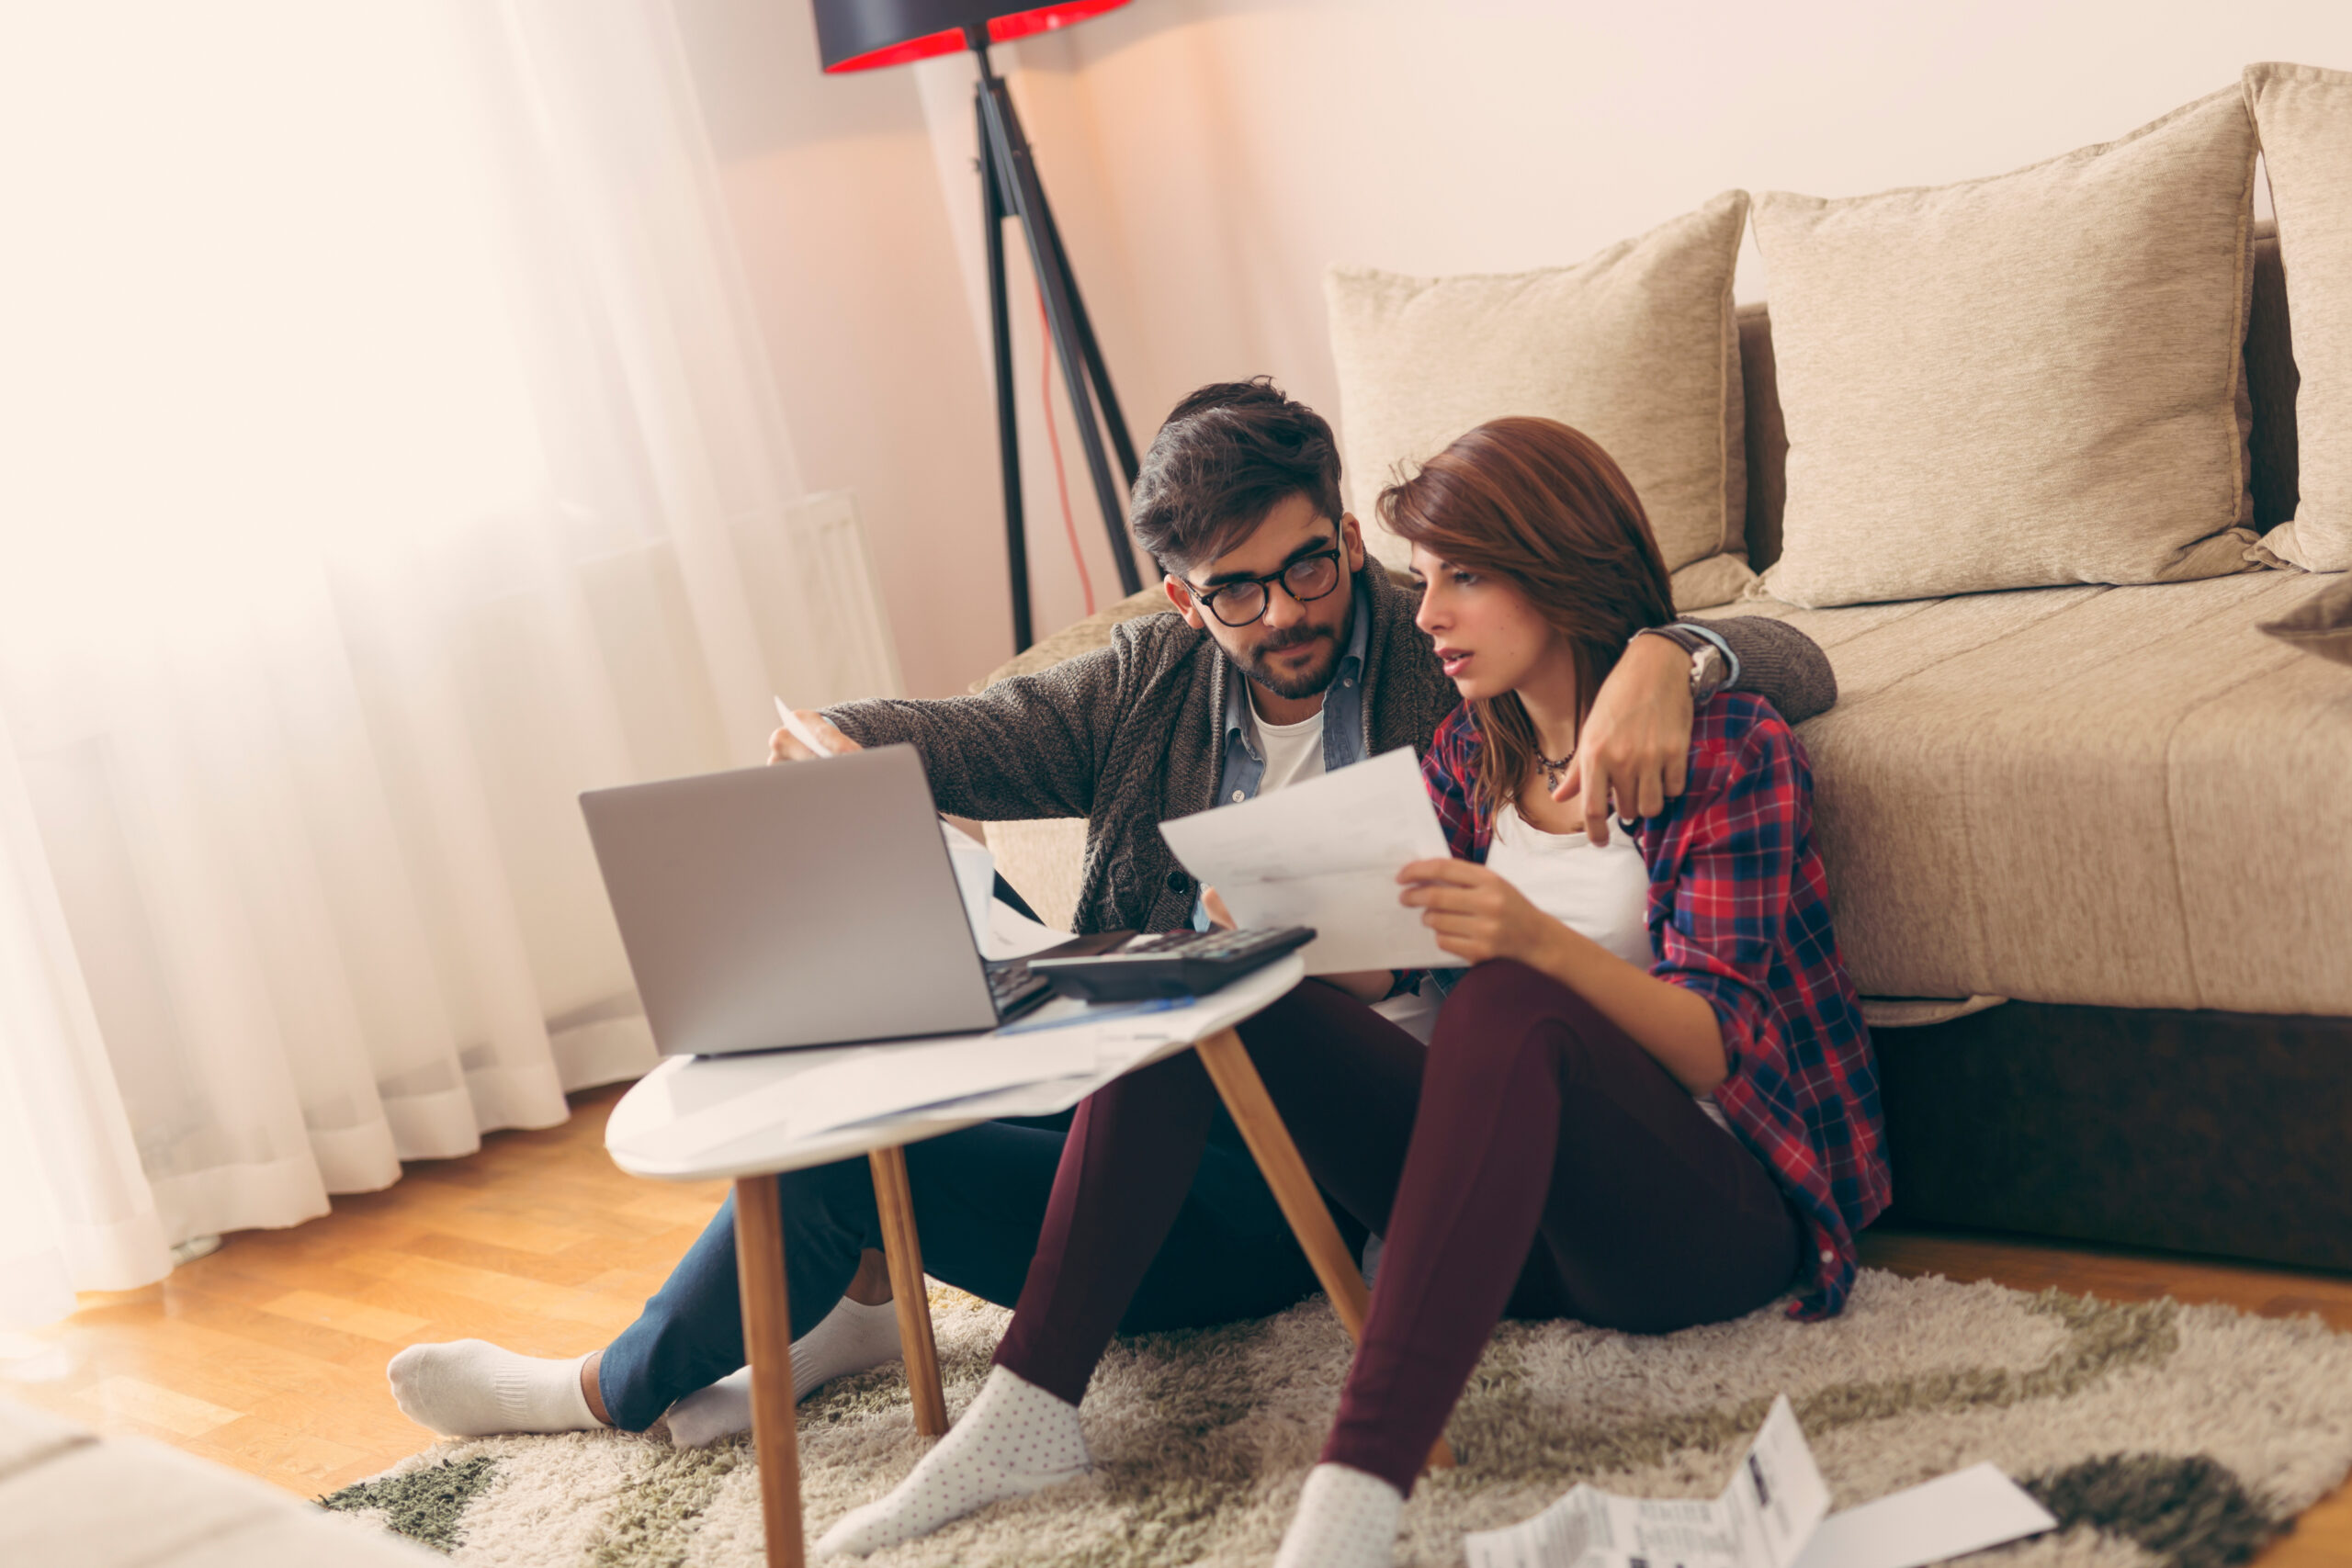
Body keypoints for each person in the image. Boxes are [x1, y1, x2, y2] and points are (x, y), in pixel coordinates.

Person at [386, 383, 1839, 1454]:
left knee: (1260, 1022)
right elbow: (944, 731)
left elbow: (1764, 650)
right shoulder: (1146, 684)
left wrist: (1672, 648)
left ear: (1347, 537)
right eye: (1236, 591)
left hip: (1335, 1142)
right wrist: (829, 746)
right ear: (1179, 593)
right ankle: (641, 1376)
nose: (1284, 611)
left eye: (1310, 565)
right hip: (1164, 1106)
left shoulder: (1439, 644)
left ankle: (806, 1339)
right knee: (853, 1137)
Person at [813, 416, 1884, 1566]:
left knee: (1501, 1004)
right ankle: (1026, 1414)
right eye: (1423, 581)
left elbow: (1722, 1048)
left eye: (1462, 579)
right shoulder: (1470, 756)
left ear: (1557, 566)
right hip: (1529, 1237)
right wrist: (1279, 930)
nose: (1424, 616)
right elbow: (1394, 964)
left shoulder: (1722, 750)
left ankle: (1353, 1504)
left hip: (1706, 1221)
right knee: (1208, 984)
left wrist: (1531, 937)